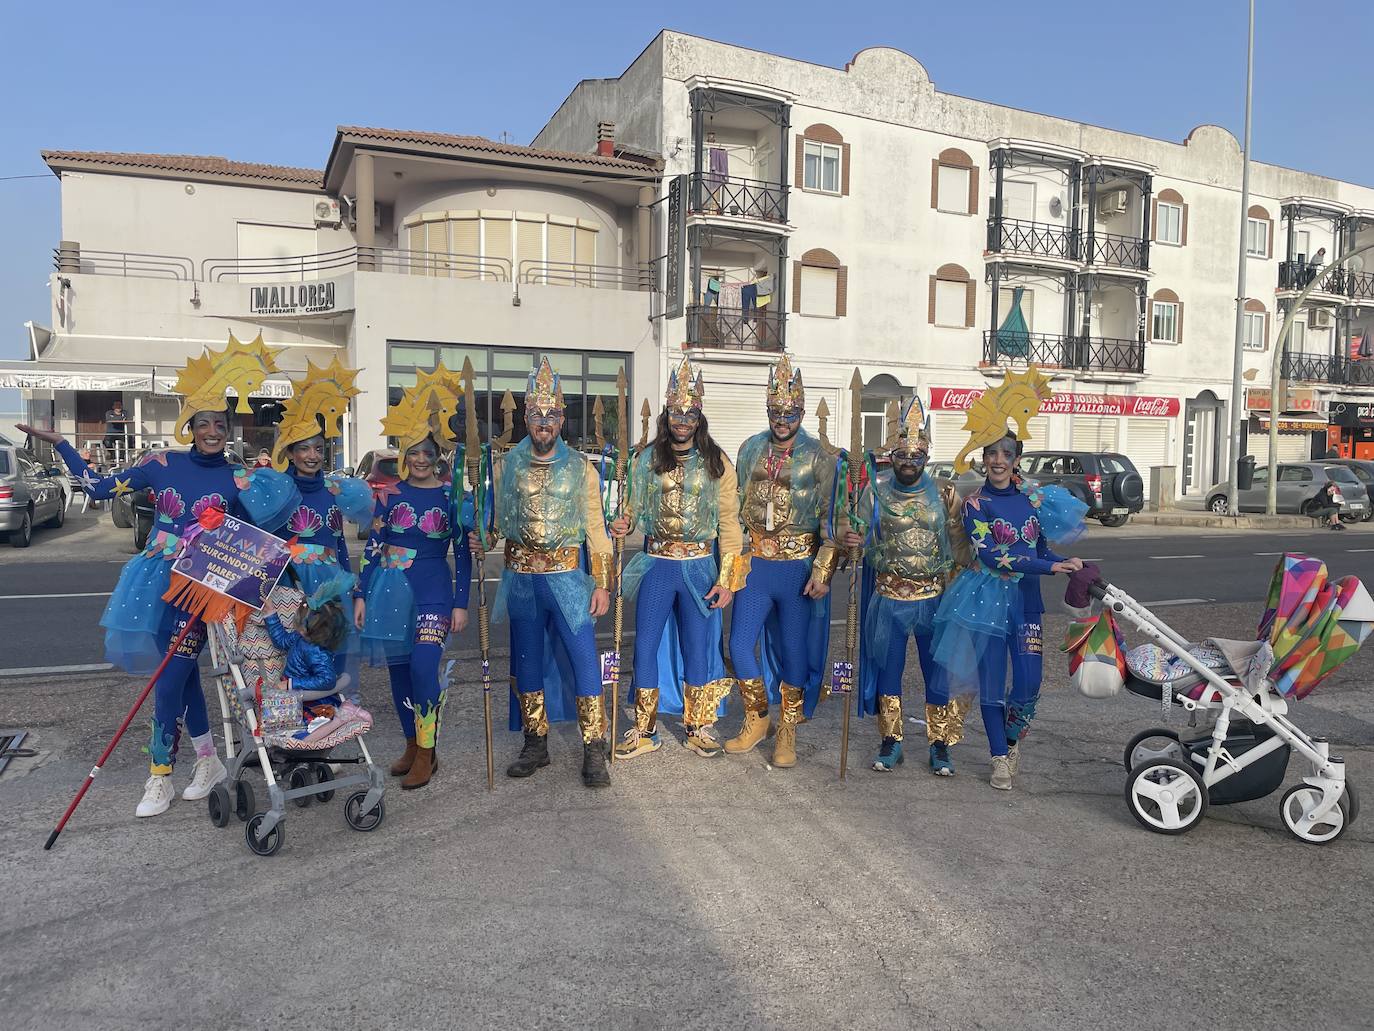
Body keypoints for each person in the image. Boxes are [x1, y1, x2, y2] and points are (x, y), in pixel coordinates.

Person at [17, 335, 299, 817]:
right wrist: (64, 444)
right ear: (189, 427)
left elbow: (261, 537)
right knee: (181, 674)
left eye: (221, 423)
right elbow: (99, 488)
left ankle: (160, 774)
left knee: (170, 675)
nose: (212, 430)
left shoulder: (240, 478)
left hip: (201, 591)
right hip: (154, 581)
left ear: (229, 429)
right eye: (203, 422)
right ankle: (207, 759)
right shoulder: (159, 463)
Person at [932, 368, 1087, 791]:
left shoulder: (1033, 499)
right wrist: (1048, 567)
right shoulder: (975, 504)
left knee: (1030, 683)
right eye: (991, 453)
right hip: (984, 601)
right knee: (992, 686)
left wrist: (1063, 560)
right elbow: (991, 554)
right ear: (983, 458)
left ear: (1017, 458)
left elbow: (1037, 552)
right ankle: (999, 757)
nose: (998, 460)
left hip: (1026, 603)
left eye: (1006, 453)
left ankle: (1011, 737)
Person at [481, 356, 615, 788]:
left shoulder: (581, 467)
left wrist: (605, 583)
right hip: (522, 580)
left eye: (552, 415)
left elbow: (596, 528)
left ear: (562, 418)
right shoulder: (505, 465)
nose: (544, 423)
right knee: (526, 660)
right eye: (536, 414)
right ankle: (535, 742)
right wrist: (478, 535)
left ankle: (594, 747)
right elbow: (495, 525)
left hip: (569, 578)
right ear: (525, 416)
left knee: (583, 660)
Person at [609, 358, 747, 759]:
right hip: (656, 565)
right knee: (645, 646)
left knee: (698, 646)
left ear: (699, 416)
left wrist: (727, 580)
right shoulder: (646, 460)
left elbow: (730, 526)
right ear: (666, 414)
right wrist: (623, 523)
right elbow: (632, 509)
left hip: (701, 567)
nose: (682, 420)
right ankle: (645, 729)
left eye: (690, 413)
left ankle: (697, 726)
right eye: (676, 412)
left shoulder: (717, 463)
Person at [845, 391, 973, 775]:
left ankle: (939, 745)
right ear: (892, 456)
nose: (908, 463)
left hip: (934, 597)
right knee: (888, 670)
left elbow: (959, 545)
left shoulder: (947, 492)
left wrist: (988, 560)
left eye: (916, 457)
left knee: (937, 673)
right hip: (888, 598)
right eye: (902, 456)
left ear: (926, 457)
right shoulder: (877, 489)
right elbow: (857, 535)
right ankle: (892, 740)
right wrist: (851, 540)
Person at [723, 355, 837, 768]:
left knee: (794, 652)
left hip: (797, 568)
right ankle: (758, 717)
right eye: (776, 411)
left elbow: (831, 519)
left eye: (789, 412)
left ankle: (787, 727)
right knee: (738, 645)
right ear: (767, 410)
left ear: (802, 412)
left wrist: (823, 570)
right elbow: (733, 510)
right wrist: (732, 565)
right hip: (756, 563)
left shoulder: (819, 456)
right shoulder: (750, 448)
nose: (782, 419)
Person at [355, 387, 471, 790]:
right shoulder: (389, 495)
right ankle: (411, 744)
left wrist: (461, 603)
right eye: (414, 452)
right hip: (389, 591)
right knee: (399, 672)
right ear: (404, 454)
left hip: (434, 590)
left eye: (428, 452)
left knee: (424, 665)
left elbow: (465, 553)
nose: (421, 459)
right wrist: (360, 594)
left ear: (438, 456)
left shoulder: (452, 497)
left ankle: (428, 750)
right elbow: (372, 548)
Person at [267, 359, 372, 700]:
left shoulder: (336, 490)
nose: (312, 455)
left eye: (318, 447)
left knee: (333, 658)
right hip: (290, 584)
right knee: (293, 657)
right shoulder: (278, 490)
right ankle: (298, 731)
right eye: (303, 448)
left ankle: (331, 725)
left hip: (332, 585)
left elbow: (340, 546)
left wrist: (356, 593)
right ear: (291, 452)